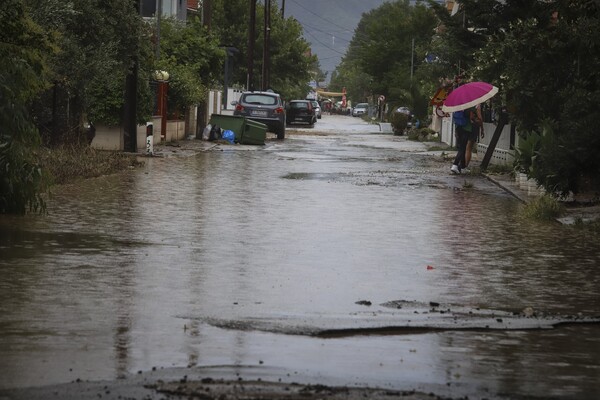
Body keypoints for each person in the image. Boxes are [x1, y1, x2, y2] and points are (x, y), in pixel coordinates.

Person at [450, 105, 481, 174]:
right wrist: (475, 120)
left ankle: (463, 167)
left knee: (462, 147)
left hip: (459, 128)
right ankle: (455, 165)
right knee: (462, 148)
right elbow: (471, 117)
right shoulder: (471, 105)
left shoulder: (460, 105)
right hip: (466, 128)